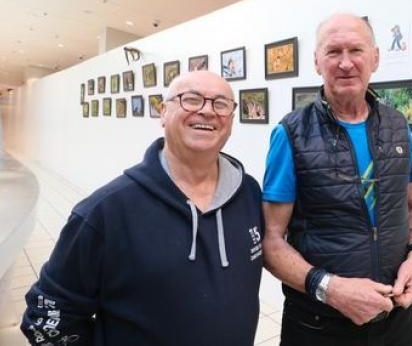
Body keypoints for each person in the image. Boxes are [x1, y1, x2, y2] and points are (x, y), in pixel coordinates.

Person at [21, 71, 264, 346]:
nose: (207, 111)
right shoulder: (105, 212)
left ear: (231, 120)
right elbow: (46, 316)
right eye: (192, 99)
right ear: (163, 113)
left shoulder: (249, 193)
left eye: (221, 104)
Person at [262, 14, 412, 345]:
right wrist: (331, 289)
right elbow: (271, 240)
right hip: (319, 324)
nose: (346, 63)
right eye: (333, 51)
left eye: (356, 50)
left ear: (376, 58)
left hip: (396, 318)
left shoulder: (397, 125)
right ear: (316, 62)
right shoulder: (291, 133)